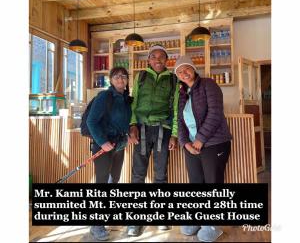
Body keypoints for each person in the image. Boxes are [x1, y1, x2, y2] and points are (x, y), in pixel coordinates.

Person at [174, 55, 232, 242]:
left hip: (214, 143)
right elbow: (180, 121)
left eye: (186, 69)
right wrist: (185, 143)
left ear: (193, 69)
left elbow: (215, 113)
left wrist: (199, 140)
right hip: (191, 146)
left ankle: (212, 225)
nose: (184, 73)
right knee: (196, 184)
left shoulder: (209, 84)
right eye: (179, 71)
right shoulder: (182, 93)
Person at [127, 44, 178, 237]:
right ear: (148, 60)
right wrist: (132, 124)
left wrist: (173, 133)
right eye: (154, 57)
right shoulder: (141, 76)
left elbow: (175, 108)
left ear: (167, 60)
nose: (158, 60)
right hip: (141, 130)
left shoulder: (173, 79)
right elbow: (133, 102)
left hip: (162, 132)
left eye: (162, 57)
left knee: (160, 175)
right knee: (138, 175)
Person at [87, 67, 132, 241]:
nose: (120, 79)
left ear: (127, 80)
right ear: (111, 80)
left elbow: (125, 122)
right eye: (116, 76)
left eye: (123, 76)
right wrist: (102, 142)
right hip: (103, 147)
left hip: (118, 147)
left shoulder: (126, 99)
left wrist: (129, 135)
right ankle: (96, 225)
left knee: (114, 180)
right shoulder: (104, 97)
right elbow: (92, 121)